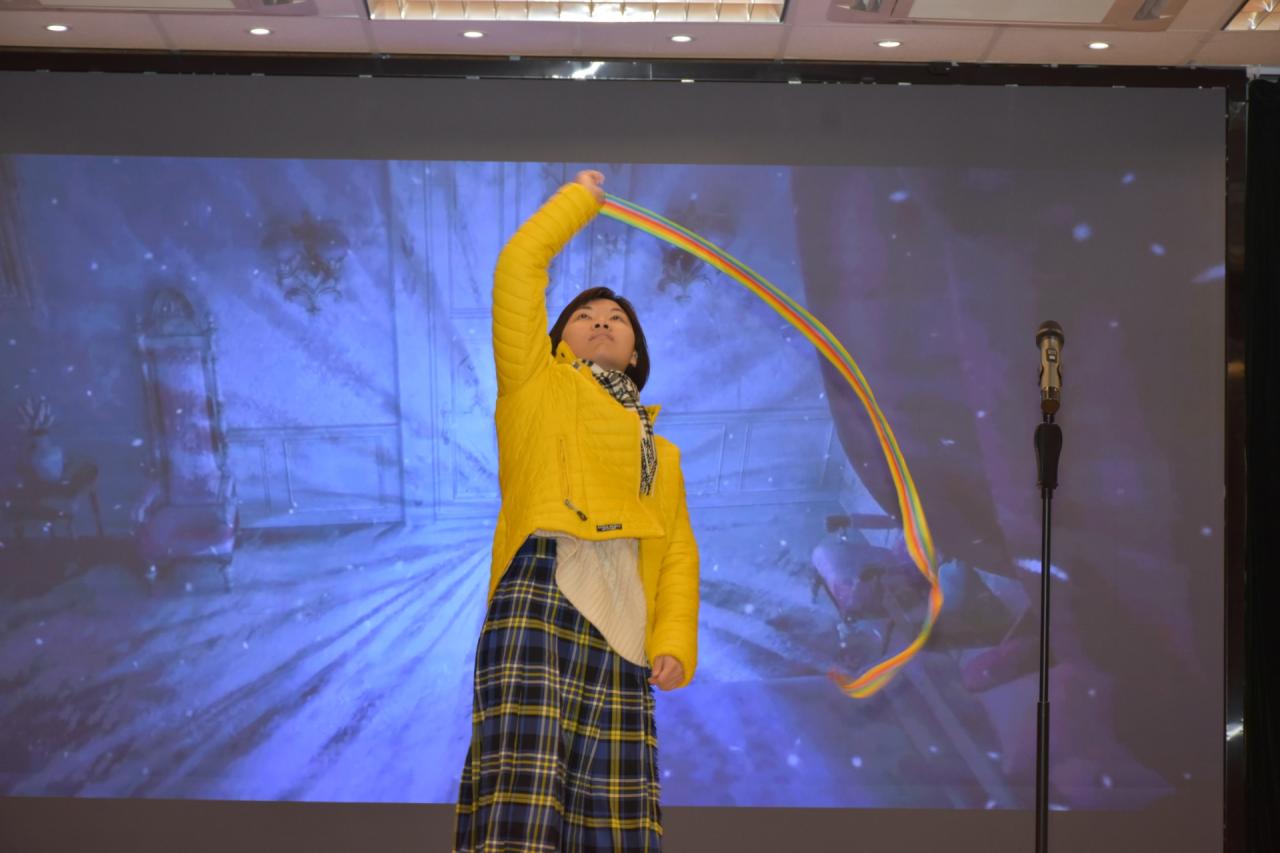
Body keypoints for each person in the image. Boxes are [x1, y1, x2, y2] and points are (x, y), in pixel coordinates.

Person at [453, 169, 701, 852]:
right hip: (541, 593)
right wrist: (578, 201)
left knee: (613, 823)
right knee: (524, 805)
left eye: (615, 319)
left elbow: (677, 552)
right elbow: (517, 268)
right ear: (560, 338)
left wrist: (673, 641)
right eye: (585, 316)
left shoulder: (661, 452)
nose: (601, 322)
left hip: (624, 628)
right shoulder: (534, 385)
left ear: (635, 350)